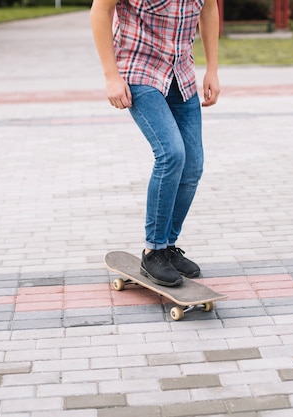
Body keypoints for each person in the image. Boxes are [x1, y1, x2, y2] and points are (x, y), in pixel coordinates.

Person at [90, 0, 221, 287]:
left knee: (193, 166)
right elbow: (100, 10)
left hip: (181, 74)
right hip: (139, 70)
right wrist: (111, 76)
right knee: (171, 153)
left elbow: (209, 9)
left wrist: (212, 68)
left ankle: (167, 246)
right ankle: (153, 251)